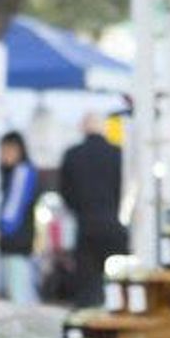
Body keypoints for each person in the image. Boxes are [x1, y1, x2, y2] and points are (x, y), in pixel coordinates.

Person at [56, 113, 128, 308]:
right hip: (113, 224)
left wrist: (79, 209)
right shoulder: (117, 154)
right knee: (118, 284)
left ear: (82, 127)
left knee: (88, 288)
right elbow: (125, 188)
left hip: (85, 225)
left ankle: (89, 331)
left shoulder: (72, 155)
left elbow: (65, 192)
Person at [0, 130, 41, 303]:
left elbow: (13, 208)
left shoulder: (22, 172)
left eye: (6, 150)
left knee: (19, 296)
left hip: (16, 243)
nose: (3, 155)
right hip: (15, 243)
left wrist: (2, 230)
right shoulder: (14, 173)